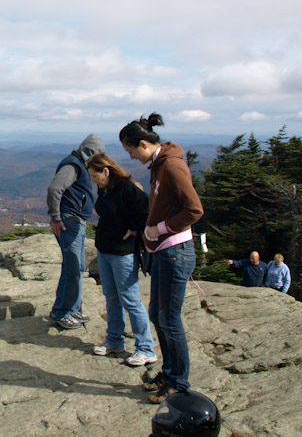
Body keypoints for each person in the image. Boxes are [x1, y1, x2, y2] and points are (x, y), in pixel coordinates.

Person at [119, 113, 203, 404]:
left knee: (168, 319)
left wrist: (159, 229)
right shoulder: (160, 164)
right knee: (158, 315)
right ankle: (169, 373)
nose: (130, 157)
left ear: (143, 143)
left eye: (131, 150)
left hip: (174, 252)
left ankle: (179, 383)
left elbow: (194, 210)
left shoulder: (172, 166)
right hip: (164, 251)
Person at [86, 153, 157, 367]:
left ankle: (146, 348)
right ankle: (114, 341)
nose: (93, 180)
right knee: (111, 297)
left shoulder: (127, 188)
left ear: (106, 171)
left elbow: (147, 209)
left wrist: (136, 229)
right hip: (105, 249)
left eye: (94, 175)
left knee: (130, 299)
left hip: (123, 252)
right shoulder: (105, 188)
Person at [46, 134, 105, 329]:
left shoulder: (79, 164)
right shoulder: (73, 165)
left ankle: (73, 309)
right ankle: (62, 313)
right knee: (73, 267)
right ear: (91, 152)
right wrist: (56, 217)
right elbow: (55, 189)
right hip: (69, 221)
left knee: (77, 267)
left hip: (75, 221)